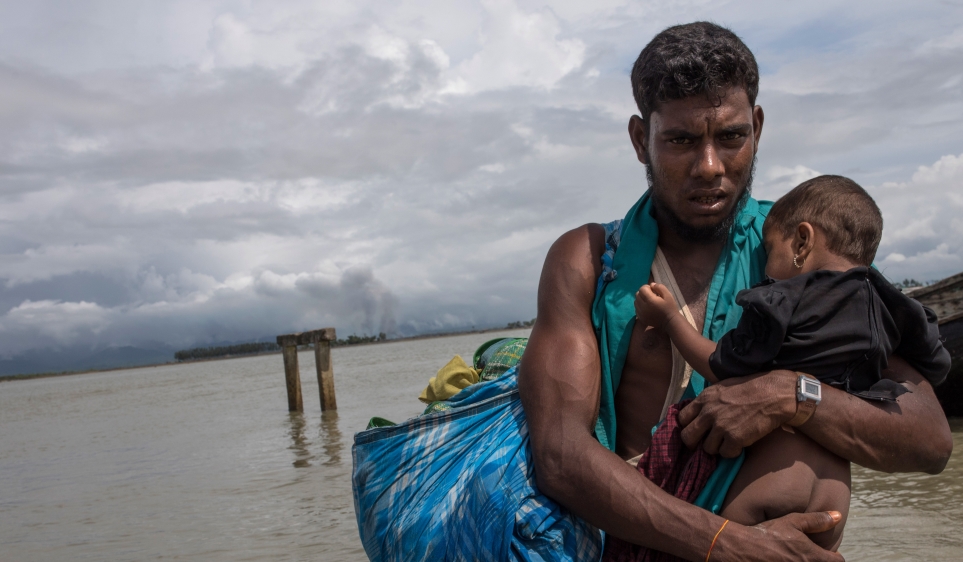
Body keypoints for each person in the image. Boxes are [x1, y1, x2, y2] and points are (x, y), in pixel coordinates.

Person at [352, 22, 953, 562]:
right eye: (683, 142)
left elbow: (927, 441)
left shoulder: (804, 256)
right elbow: (560, 454)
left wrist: (787, 394)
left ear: (759, 128)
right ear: (642, 140)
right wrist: (725, 544)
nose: (711, 166)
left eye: (732, 137)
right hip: (651, 547)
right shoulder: (587, 261)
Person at [630, 175, 950, 551]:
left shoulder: (783, 301)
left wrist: (670, 319)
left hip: (770, 490)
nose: (765, 265)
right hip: (833, 504)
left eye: (769, 249)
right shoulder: (891, 310)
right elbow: (935, 363)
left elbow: (721, 364)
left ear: (802, 242)